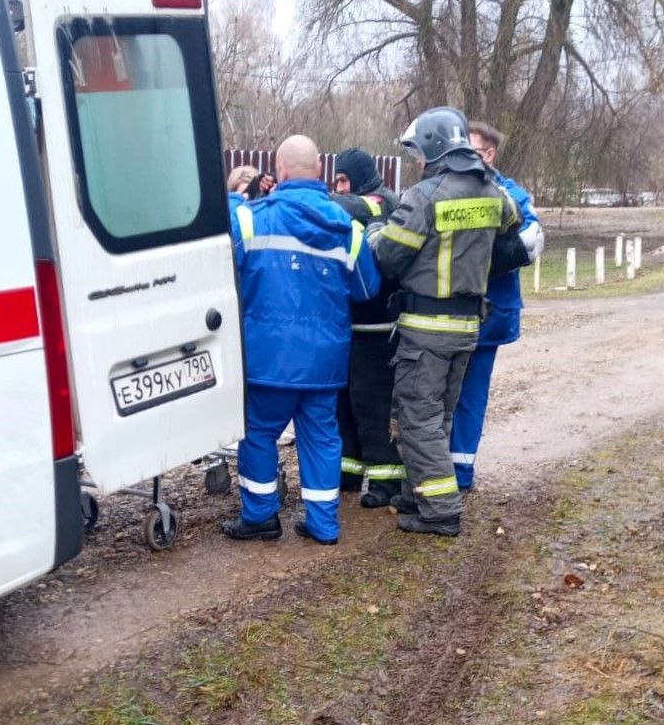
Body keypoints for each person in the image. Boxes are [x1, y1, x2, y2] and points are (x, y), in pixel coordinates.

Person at [367, 107, 520, 536]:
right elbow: (514, 222)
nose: (417, 161)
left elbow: (388, 256)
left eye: (418, 152)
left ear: (434, 147)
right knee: (441, 417)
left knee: (417, 417)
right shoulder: (493, 191)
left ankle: (441, 510)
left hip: (427, 328)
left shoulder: (424, 196)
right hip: (468, 327)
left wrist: (378, 228)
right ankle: (420, 494)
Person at [223, 135, 381, 545]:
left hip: (268, 359)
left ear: (282, 171)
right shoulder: (350, 229)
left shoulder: (250, 219)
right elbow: (366, 289)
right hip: (325, 362)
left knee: (258, 434)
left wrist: (239, 197)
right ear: (321, 173)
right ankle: (323, 524)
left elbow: (225, 261)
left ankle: (260, 517)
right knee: (322, 438)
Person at [450, 121, 544, 492]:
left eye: (468, 150)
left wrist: (477, 259)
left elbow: (533, 240)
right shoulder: (452, 187)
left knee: (470, 393)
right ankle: (435, 467)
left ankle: (459, 471)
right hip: (450, 307)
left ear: (487, 154)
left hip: (488, 311)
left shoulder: (510, 194)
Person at [331, 147, 404, 508]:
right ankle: (349, 472)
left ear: (360, 177)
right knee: (347, 402)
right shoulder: (360, 200)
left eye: (343, 180)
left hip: (380, 323)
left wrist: (306, 196)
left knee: (373, 403)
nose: (340, 188)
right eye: (336, 181)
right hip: (356, 322)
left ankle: (387, 481)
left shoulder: (383, 202)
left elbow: (360, 209)